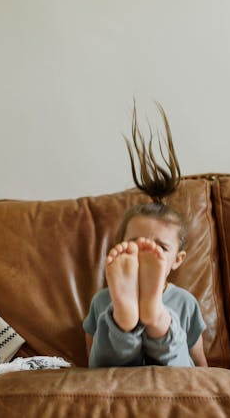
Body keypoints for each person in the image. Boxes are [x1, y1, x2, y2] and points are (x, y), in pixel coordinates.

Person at [83, 103, 208, 368]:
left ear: (178, 259)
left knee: (178, 360)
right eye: (135, 244)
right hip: (116, 372)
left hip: (170, 375)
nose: (144, 251)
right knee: (109, 343)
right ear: (121, 246)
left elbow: (199, 365)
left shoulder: (186, 302)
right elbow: (91, 367)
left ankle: (154, 318)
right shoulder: (102, 299)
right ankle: (125, 319)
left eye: (160, 247)